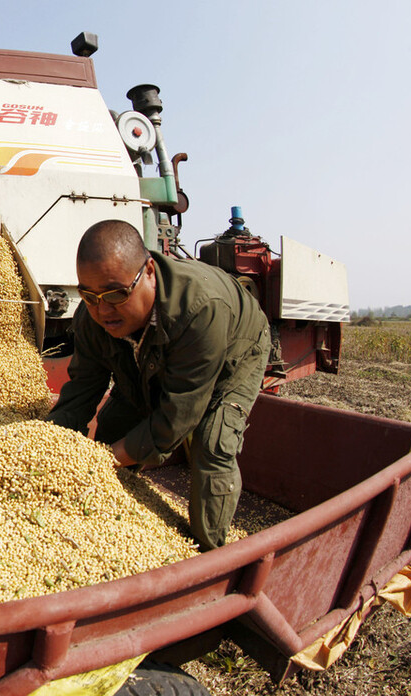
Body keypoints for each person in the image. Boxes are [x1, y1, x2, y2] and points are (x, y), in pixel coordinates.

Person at [45, 219, 271, 550]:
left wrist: (104, 458)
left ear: (149, 271)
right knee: (113, 427)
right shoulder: (94, 316)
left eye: (116, 294)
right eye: (89, 296)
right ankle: (105, 533)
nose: (103, 310)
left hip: (235, 351)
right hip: (155, 349)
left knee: (212, 442)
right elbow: (81, 391)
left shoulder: (201, 310)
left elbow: (177, 416)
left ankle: (210, 552)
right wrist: (50, 445)